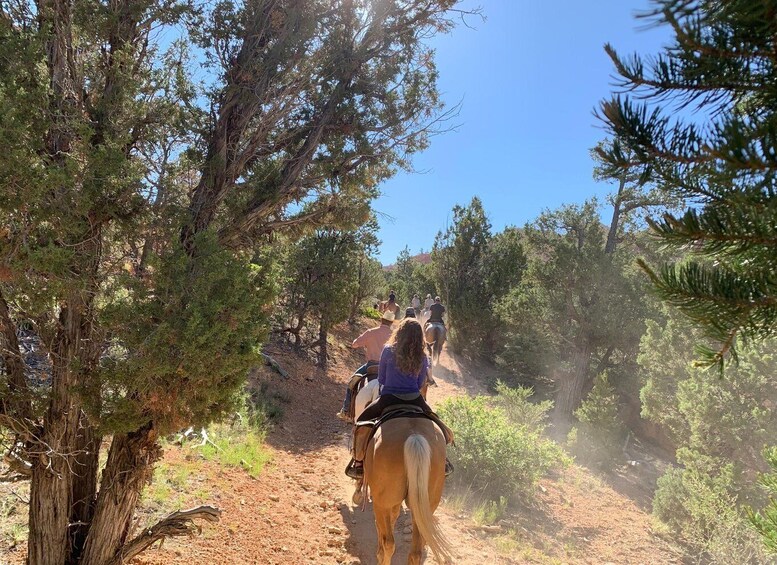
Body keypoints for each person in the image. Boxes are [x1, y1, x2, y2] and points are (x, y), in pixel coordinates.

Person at [346, 319, 453, 478]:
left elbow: (381, 378)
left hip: (388, 398)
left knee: (361, 422)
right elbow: (419, 383)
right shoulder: (423, 357)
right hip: (414, 398)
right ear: (420, 336)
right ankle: (443, 461)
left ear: (400, 332)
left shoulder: (388, 350)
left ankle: (359, 463)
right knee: (440, 425)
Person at [336, 310, 395, 422]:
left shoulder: (371, 332)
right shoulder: (394, 335)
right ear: (391, 323)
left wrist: (365, 344)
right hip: (389, 368)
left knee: (352, 382)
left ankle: (346, 410)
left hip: (371, 365)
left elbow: (354, 344)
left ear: (381, 320)